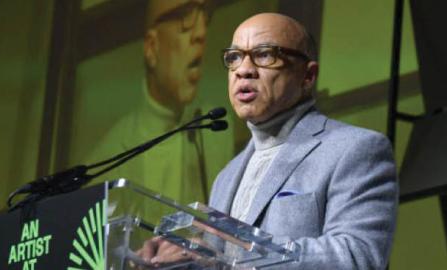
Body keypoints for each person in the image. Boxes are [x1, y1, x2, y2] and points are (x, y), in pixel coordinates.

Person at [138, 12, 398, 270]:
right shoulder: (226, 177)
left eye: (264, 55)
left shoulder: (355, 149)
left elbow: (357, 257)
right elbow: (219, 263)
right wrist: (182, 258)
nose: (244, 70)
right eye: (234, 57)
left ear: (308, 76)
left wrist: (243, 249)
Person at [86, 0, 233, 207]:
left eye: (204, 15)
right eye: (185, 17)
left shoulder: (215, 129)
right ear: (151, 47)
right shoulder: (110, 156)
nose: (201, 33)